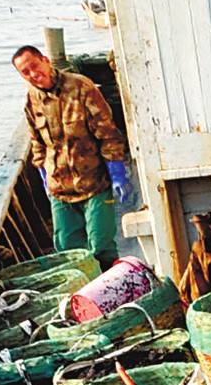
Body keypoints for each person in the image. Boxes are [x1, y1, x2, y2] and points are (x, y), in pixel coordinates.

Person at [14, 44, 133, 270]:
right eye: (25, 72)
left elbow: (108, 134)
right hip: (60, 188)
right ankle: (84, 299)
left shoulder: (81, 87)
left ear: (46, 60)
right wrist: (43, 177)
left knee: (101, 248)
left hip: (95, 184)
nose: (33, 74)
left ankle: (113, 292)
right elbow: (37, 143)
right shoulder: (32, 100)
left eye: (34, 66)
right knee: (68, 251)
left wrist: (117, 173)